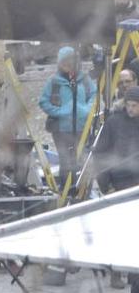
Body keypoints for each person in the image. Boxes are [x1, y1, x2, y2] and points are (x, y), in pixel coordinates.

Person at [38, 47, 96, 188]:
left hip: (82, 127)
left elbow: (94, 96)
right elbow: (43, 102)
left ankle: (82, 188)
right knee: (66, 160)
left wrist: (86, 109)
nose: (67, 64)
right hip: (61, 130)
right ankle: (67, 189)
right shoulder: (53, 82)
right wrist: (60, 111)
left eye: (70, 60)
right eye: (64, 61)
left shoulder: (85, 80)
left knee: (81, 158)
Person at [92, 86, 139, 194]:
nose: (130, 109)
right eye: (128, 105)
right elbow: (100, 154)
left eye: (134, 105)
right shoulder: (113, 122)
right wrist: (106, 186)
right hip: (120, 182)